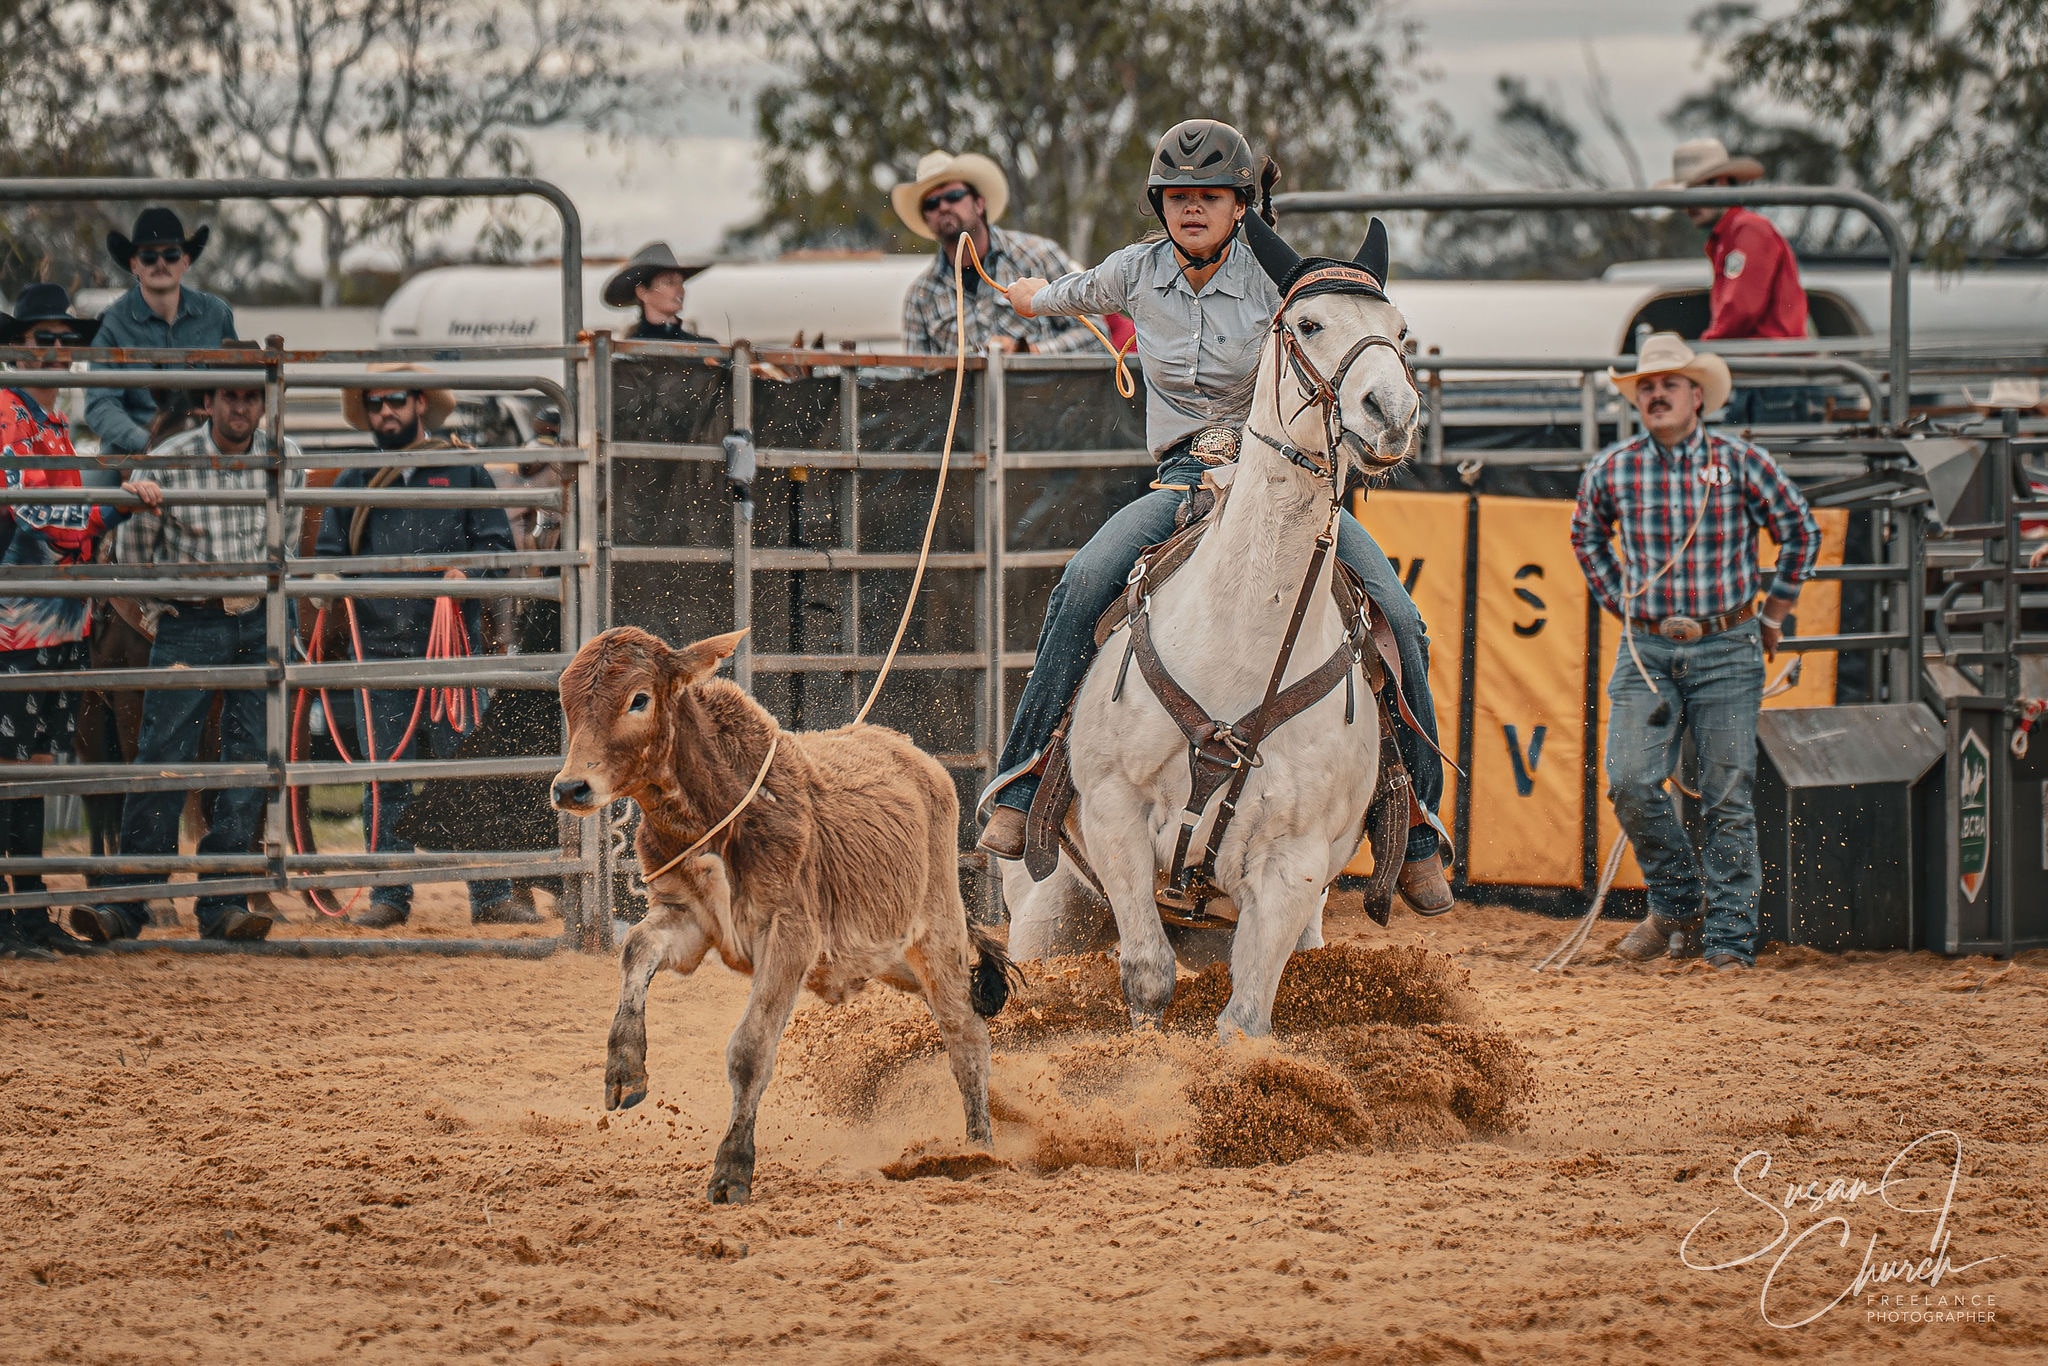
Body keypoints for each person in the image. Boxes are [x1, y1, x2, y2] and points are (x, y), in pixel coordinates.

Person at [979, 118, 1455, 914]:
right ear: (1159, 205)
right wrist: (1027, 299)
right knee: (1083, 581)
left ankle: (1415, 829)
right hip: (1181, 481)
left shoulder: (1283, 287)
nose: (1191, 209)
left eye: (1209, 196)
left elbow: (1346, 328)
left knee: (1401, 620)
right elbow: (1063, 295)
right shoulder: (1133, 272)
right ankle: (1025, 780)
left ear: (1243, 207)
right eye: (1177, 197)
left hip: (1284, 486)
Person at [1570, 332, 1820, 970]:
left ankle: (1728, 942)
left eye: (1668, 386)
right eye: (1647, 387)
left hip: (1727, 643)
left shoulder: (1740, 462)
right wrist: (1620, 601)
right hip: (1649, 647)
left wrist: (1774, 616)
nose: (1656, 395)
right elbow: (1586, 533)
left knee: (1726, 792)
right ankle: (1680, 903)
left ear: (1697, 396)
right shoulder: (1616, 468)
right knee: (1629, 779)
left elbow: (1799, 529)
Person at [72, 345, 298, 944]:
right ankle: (131, 901)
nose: (241, 409)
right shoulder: (169, 462)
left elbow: (290, 538)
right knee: (162, 756)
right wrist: (158, 613)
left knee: (248, 758)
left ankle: (221, 900)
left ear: (262, 402)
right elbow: (137, 549)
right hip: (193, 618)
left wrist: (276, 599)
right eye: (231, 396)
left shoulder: (285, 459)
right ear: (209, 402)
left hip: (256, 618)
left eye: (251, 397)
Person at [316, 365, 532, 929]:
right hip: (381, 650)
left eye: (394, 400)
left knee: (467, 772)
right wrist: (333, 582)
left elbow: (496, 548)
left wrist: (469, 575)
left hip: (451, 650)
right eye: (374, 402)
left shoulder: (462, 469)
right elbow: (329, 555)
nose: (384, 410)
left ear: (418, 403)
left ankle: (491, 895)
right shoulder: (354, 479)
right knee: (385, 775)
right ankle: (390, 895)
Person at [0, 286, 162, 957]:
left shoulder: (52, 423)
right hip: (16, 622)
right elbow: (36, 514)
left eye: (68, 342)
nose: (60, 353)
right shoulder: (10, 415)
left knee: (33, 768)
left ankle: (29, 917)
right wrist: (112, 509)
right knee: (15, 770)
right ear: (17, 347)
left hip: (53, 621)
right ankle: (16, 919)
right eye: (46, 340)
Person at [1661, 138, 1817, 424]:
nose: (1688, 205)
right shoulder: (1733, 234)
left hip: (1770, 377)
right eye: (1685, 194)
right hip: (1762, 373)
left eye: (1695, 190)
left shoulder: (1746, 231)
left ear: (1720, 183)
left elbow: (1741, 308)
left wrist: (1700, 352)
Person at [894, 149, 1096, 357]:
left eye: (953, 196)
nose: (943, 206)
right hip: (962, 391)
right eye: (931, 203)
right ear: (927, 219)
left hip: (1042, 389)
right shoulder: (920, 297)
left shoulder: (1038, 256)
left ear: (979, 204)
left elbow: (1095, 334)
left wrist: (1029, 352)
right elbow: (916, 382)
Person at [87, 208, 240, 458]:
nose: (160, 264)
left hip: (207, 444)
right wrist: (148, 444)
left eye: (170, 254)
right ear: (133, 264)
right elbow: (100, 404)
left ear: (185, 261)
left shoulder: (216, 313)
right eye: (149, 256)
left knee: (262, 483)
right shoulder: (113, 322)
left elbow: (235, 384)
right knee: (92, 490)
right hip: (134, 448)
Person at [603, 242, 716, 342]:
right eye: (670, 282)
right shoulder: (626, 352)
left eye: (681, 282)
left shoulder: (706, 349)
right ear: (642, 292)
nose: (680, 289)